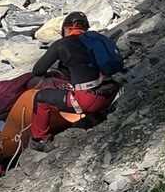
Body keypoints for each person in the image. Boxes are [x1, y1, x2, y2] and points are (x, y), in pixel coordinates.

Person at [30, 11, 120, 152]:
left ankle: (39, 139)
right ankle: (96, 113)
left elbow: (37, 70)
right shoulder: (96, 40)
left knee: (40, 98)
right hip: (111, 92)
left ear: (66, 28)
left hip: (88, 100)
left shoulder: (61, 44)